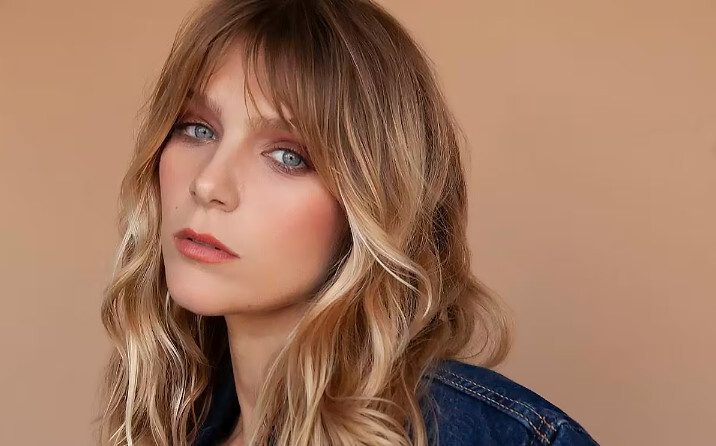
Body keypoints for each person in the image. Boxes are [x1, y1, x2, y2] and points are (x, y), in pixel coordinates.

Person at [95, 0, 600, 445]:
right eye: (197, 129)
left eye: (289, 156)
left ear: (374, 205)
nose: (208, 183)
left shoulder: (510, 439)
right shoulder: (175, 425)